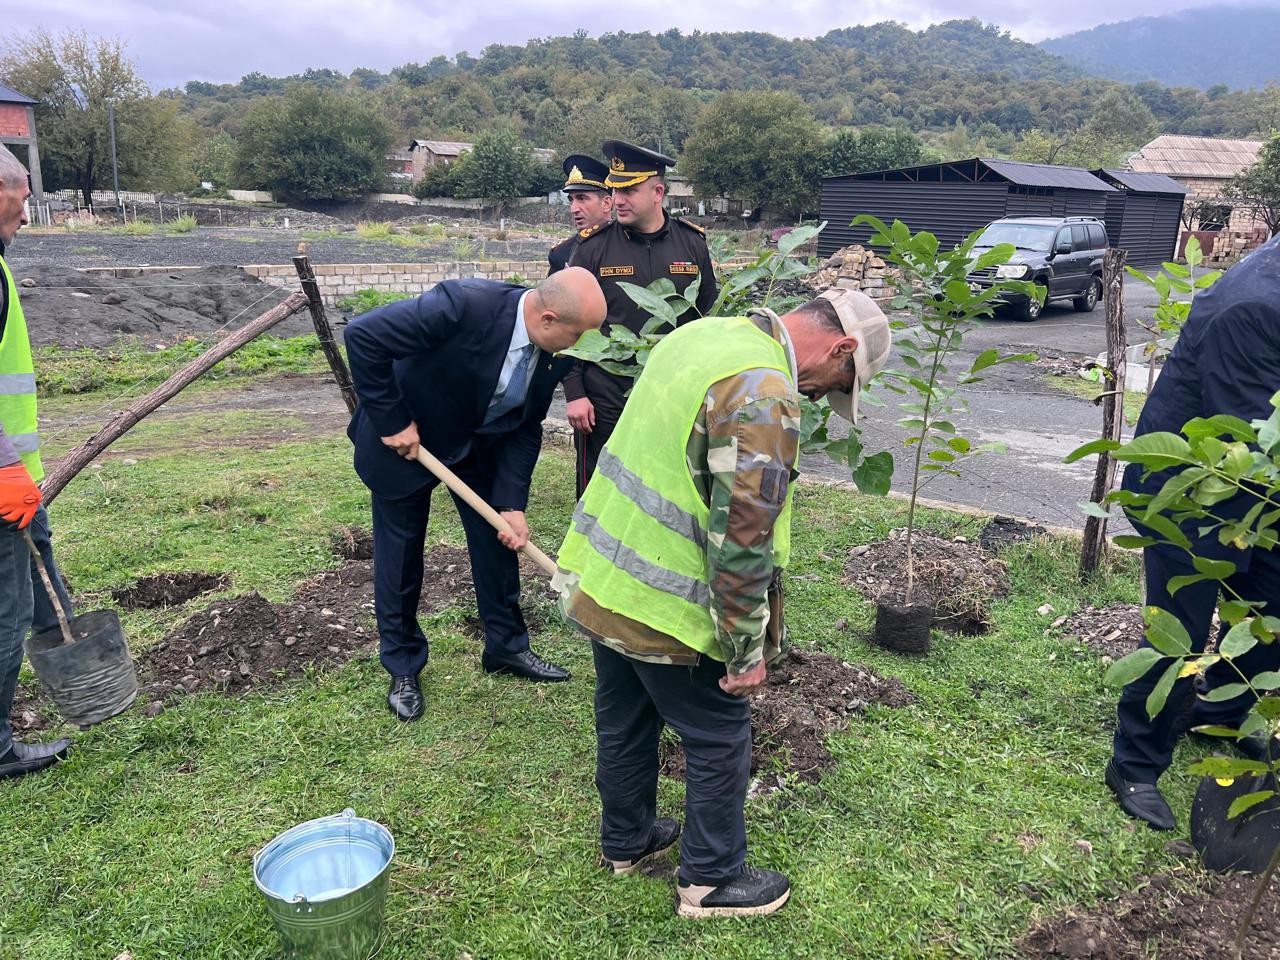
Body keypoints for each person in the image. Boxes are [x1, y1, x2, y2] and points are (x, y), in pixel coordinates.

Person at [553, 288, 891, 917]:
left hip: (606, 578)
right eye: (838, 380)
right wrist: (743, 649)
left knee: (626, 713)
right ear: (841, 348)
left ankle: (625, 841)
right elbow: (741, 534)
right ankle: (709, 880)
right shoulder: (764, 392)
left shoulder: (705, 335)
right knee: (717, 734)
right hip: (667, 602)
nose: (820, 395)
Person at [345, 267, 606, 722]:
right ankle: (403, 665)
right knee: (401, 553)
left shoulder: (555, 353)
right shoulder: (462, 305)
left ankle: (506, 647)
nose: (581, 346)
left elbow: (525, 426)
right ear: (547, 318)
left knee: (496, 540)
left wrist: (512, 504)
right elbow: (363, 336)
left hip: (480, 441)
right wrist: (392, 421)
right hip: (409, 442)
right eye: (577, 334)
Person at [1106, 233, 1280, 830]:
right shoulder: (1255, 308)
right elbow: (1253, 435)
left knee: (1268, 601)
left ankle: (1232, 711)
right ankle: (1136, 759)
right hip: (1187, 494)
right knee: (1180, 625)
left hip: (1253, 499)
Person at [564, 140, 717, 497]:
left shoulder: (692, 244)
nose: (618, 199)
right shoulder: (593, 248)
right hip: (605, 392)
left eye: (629, 190)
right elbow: (569, 326)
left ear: (658, 192)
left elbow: (706, 315)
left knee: (663, 484)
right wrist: (574, 393)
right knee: (600, 486)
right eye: (615, 189)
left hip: (671, 390)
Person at [0, 145, 74, 780]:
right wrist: (3, 471)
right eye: (21, 195)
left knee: (42, 566)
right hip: (2, 483)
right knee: (6, 606)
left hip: (20, 477)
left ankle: (75, 666)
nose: (27, 210)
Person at [548, 154, 612, 275]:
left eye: (582, 198)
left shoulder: (630, 244)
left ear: (606, 203)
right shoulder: (561, 254)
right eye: (571, 200)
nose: (574, 209)